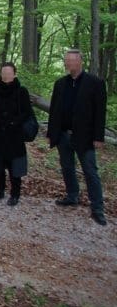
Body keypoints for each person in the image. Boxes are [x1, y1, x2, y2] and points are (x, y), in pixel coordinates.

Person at [46, 49, 107, 226]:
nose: (69, 63)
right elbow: (54, 111)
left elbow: (100, 112)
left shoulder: (95, 83)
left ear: (80, 62)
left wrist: (98, 137)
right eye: (67, 60)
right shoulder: (60, 84)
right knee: (67, 167)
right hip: (63, 134)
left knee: (90, 170)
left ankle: (97, 208)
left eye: (72, 60)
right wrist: (52, 133)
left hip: (85, 137)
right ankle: (72, 196)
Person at [0, 62, 35, 206]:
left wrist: (13, 122)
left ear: (14, 74)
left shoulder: (21, 91)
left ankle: (15, 194)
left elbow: (27, 113)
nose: (5, 75)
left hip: (14, 135)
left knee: (14, 167)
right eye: (3, 73)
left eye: (8, 73)